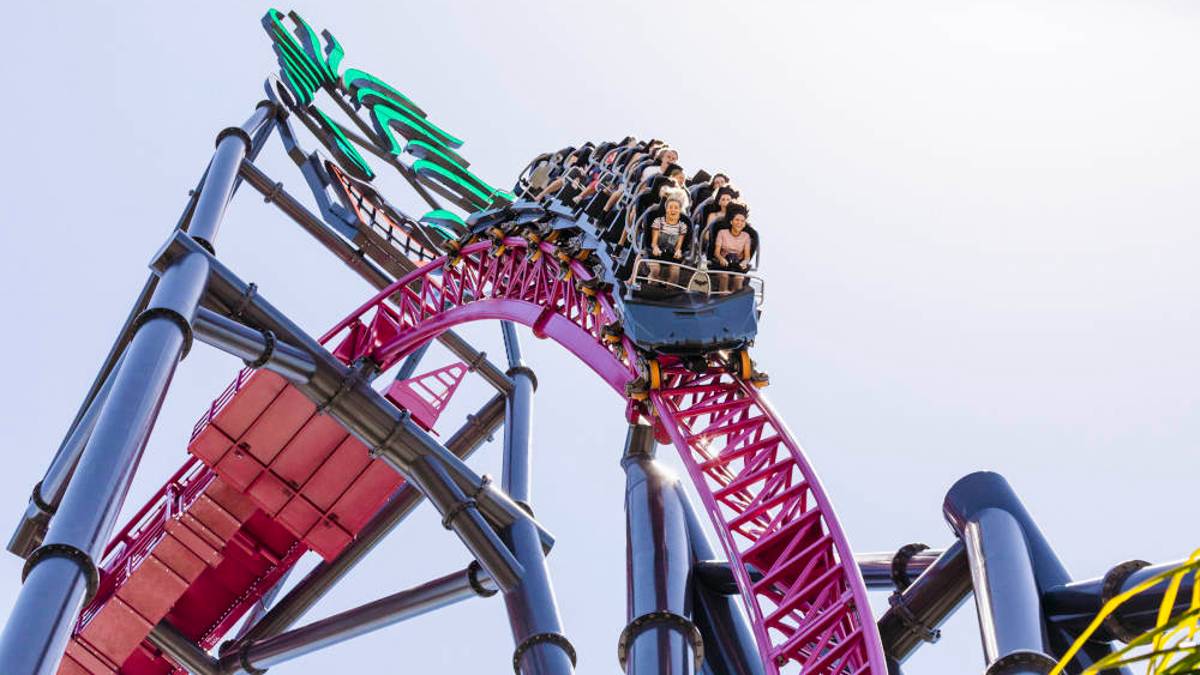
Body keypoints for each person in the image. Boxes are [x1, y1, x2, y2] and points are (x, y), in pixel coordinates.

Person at [646, 190, 689, 287]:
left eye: (676, 208)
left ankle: (669, 292)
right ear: (666, 209)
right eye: (670, 207)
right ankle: (651, 288)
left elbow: (680, 245)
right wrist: (655, 248)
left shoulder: (683, 225)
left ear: (679, 209)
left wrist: (678, 251)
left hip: (671, 254)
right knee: (655, 270)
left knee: (675, 274)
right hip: (655, 252)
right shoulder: (658, 221)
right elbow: (653, 242)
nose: (673, 210)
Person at [713, 204, 752, 292]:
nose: (739, 223)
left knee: (738, 278)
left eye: (742, 221)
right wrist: (721, 258)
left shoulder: (746, 236)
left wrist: (744, 262)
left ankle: (735, 299)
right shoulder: (722, 233)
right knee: (724, 276)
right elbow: (716, 252)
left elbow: (747, 256)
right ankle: (722, 296)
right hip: (723, 263)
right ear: (731, 222)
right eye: (737, 220)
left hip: (736, 264)